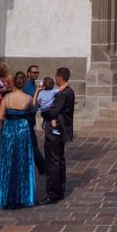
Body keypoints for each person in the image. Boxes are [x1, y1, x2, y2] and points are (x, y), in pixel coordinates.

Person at [0, 71, 36, 209]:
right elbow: (31, 109)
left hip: (8, 129)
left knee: (6, 161)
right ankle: (23, 195)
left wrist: (8, 116)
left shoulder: (7, 98)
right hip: (22, 129)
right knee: (22, 160)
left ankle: (3, 194)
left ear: (14, 83)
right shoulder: (27, 98)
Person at [40, 67, 74, 204]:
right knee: (59, 160)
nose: (55, 79)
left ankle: (53, 193)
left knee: (53, 162)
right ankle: (60, 190)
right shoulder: (69, 91)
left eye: (56, 77)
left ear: (60, 78)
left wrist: (43, 112)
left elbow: (51, 112)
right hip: (62, 129)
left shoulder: (62, 94)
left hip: (56, 132)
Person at [22, 64, 46, 175]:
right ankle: (43, 168)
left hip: (32, 118)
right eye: (34, 72)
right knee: (33, 144)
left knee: (31, 144)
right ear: (28, 73)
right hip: (26, 117)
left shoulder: (33, 85)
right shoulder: (26, 86)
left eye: (37, 73)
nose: (36, 74)